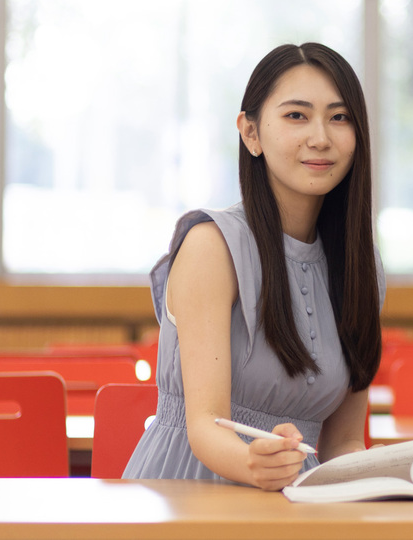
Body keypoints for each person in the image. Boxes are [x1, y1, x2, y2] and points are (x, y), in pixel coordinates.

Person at [123, 42, 384, 491]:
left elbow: (342, 441)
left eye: (339, 117)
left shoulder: (362, 267)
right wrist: (253, 464)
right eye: (296, 115)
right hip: (191, 487)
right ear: (251, 133)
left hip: (296, 498)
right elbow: (205, 426)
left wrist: (379, 473)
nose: (320, 137)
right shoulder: (212, 244)